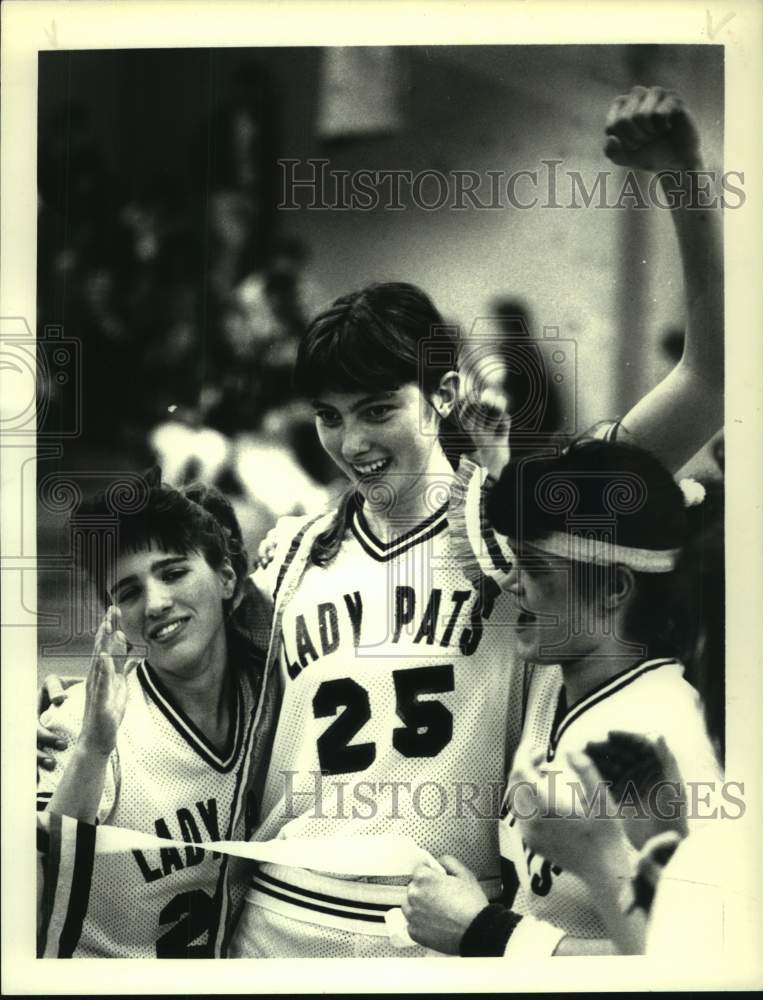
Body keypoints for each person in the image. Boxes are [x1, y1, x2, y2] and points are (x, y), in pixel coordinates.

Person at [38, 84, 724, 959]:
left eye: (374, 409)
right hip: (277, 924)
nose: (351, 442)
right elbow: (193, 676)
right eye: (328, 415)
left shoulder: (520, 514)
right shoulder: (290, 551)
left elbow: (709, 380)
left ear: (438, 394)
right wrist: (87, 720)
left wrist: (683, 177)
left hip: (438, 927)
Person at [401, 438, 722, 956]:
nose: (512, 583)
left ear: (615, 588)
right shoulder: (560, 687)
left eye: (534, 568)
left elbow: (697, 955)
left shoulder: (664, 728)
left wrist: (486, 932)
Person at [36, 475, 273, 957]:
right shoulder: (83, 721)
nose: (156, 603)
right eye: (128, 592)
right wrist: (94, 746)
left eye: (172, 572)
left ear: (227, 577)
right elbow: (34, 877)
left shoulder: (273, 704)